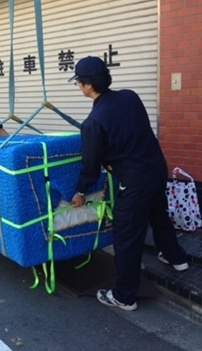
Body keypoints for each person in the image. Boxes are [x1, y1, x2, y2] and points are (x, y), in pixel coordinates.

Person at [69, 56, 188, 311]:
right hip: (156, 168)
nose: (79, 86)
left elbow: (90, 164)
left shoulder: (93, 123)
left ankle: (124, 296)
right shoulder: (130, 97)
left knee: (126, 236)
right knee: (158, 214)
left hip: (135, 181)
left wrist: (81, 191)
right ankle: (175, 258)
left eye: (78, 82)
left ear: (88, 85)